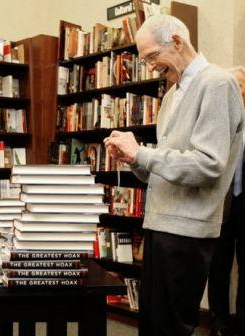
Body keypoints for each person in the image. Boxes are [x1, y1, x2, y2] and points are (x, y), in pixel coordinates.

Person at [104, 15, 244, 336]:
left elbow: (209, 164)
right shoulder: (170, 95)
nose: (150, 67)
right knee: (151, 323)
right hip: (158, 225)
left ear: (178, 42)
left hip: (187, 232)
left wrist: (143, 153)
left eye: (153, 56)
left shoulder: (217, 84)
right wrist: (132, 157)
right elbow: (160, 174)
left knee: (171, 327)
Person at [208, 66, 245, 336]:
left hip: (244, 204)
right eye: (234, 86)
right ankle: (218, 324)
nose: (237, 91)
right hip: (220, 204)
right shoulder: (217, 121)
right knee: (218, 267)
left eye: (242, 87)